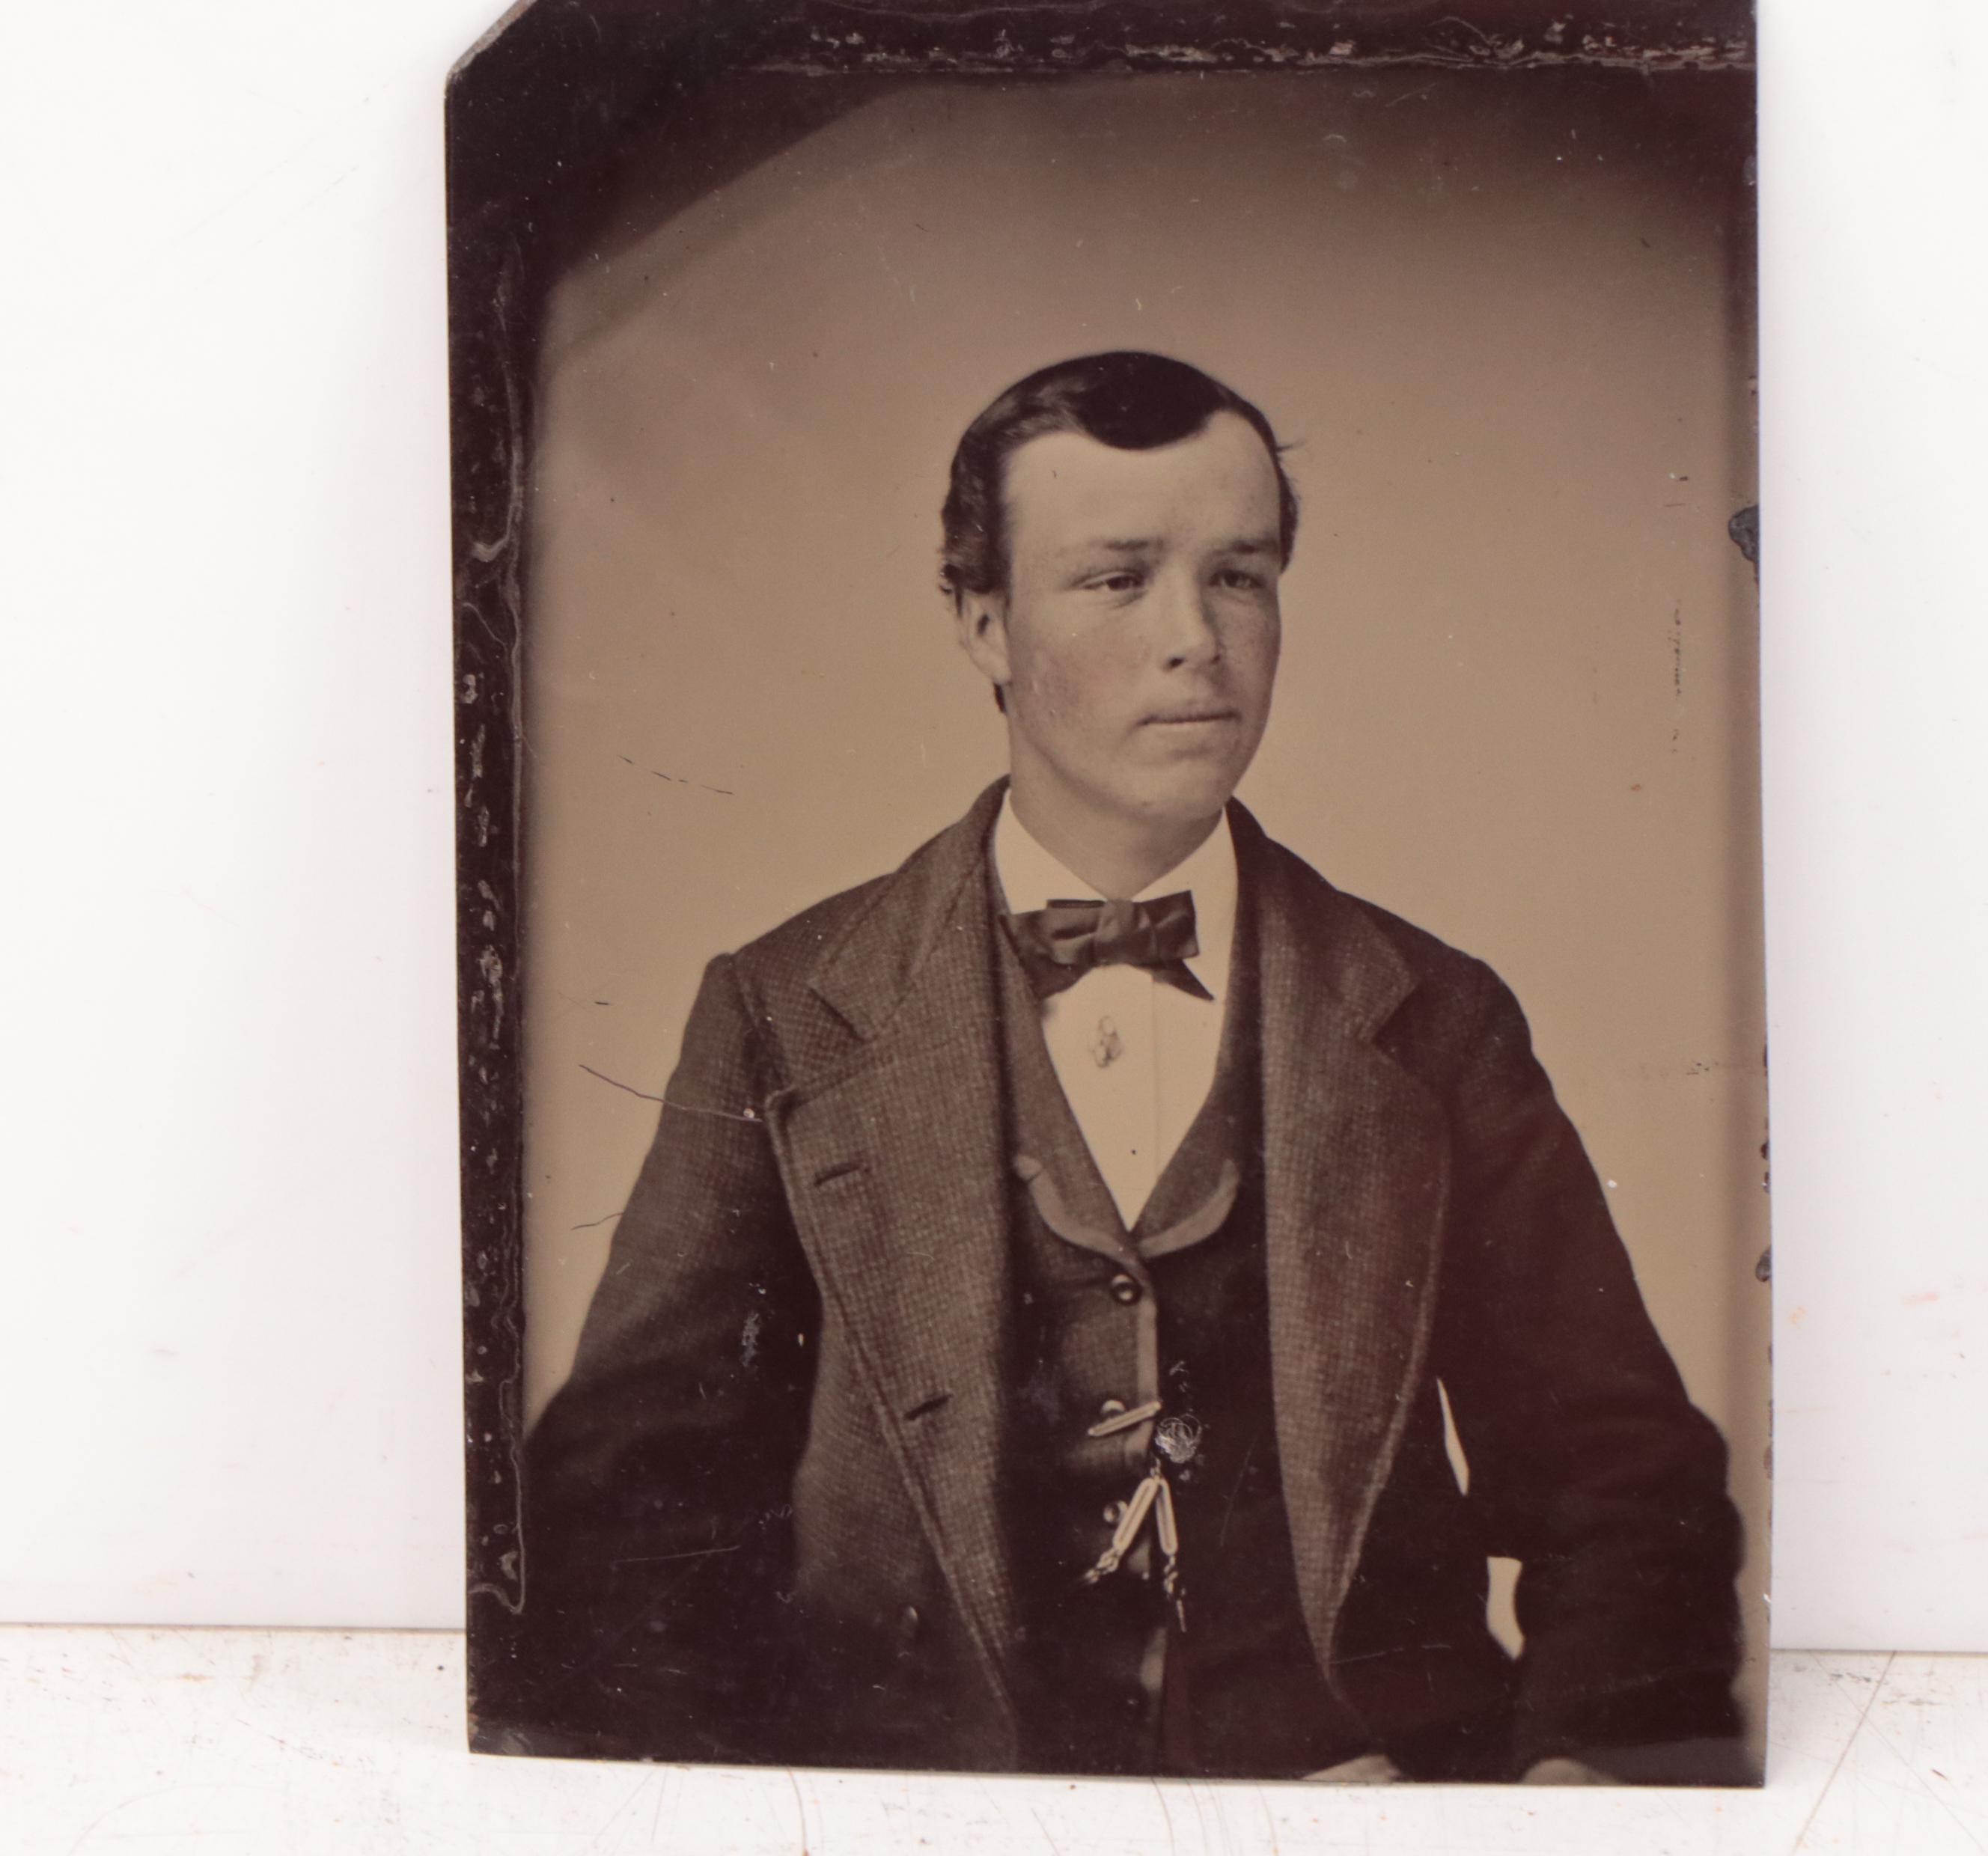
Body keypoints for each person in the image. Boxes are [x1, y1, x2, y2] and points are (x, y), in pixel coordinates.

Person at [489, 352, 1745, 1783]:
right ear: (982, 623)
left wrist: (1563, 1789)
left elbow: (1627, 1482)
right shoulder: (783, 1012)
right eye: (1116, 579)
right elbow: (630, 1516)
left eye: (1241, 576)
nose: (1196, 640)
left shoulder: (1437, 1016)